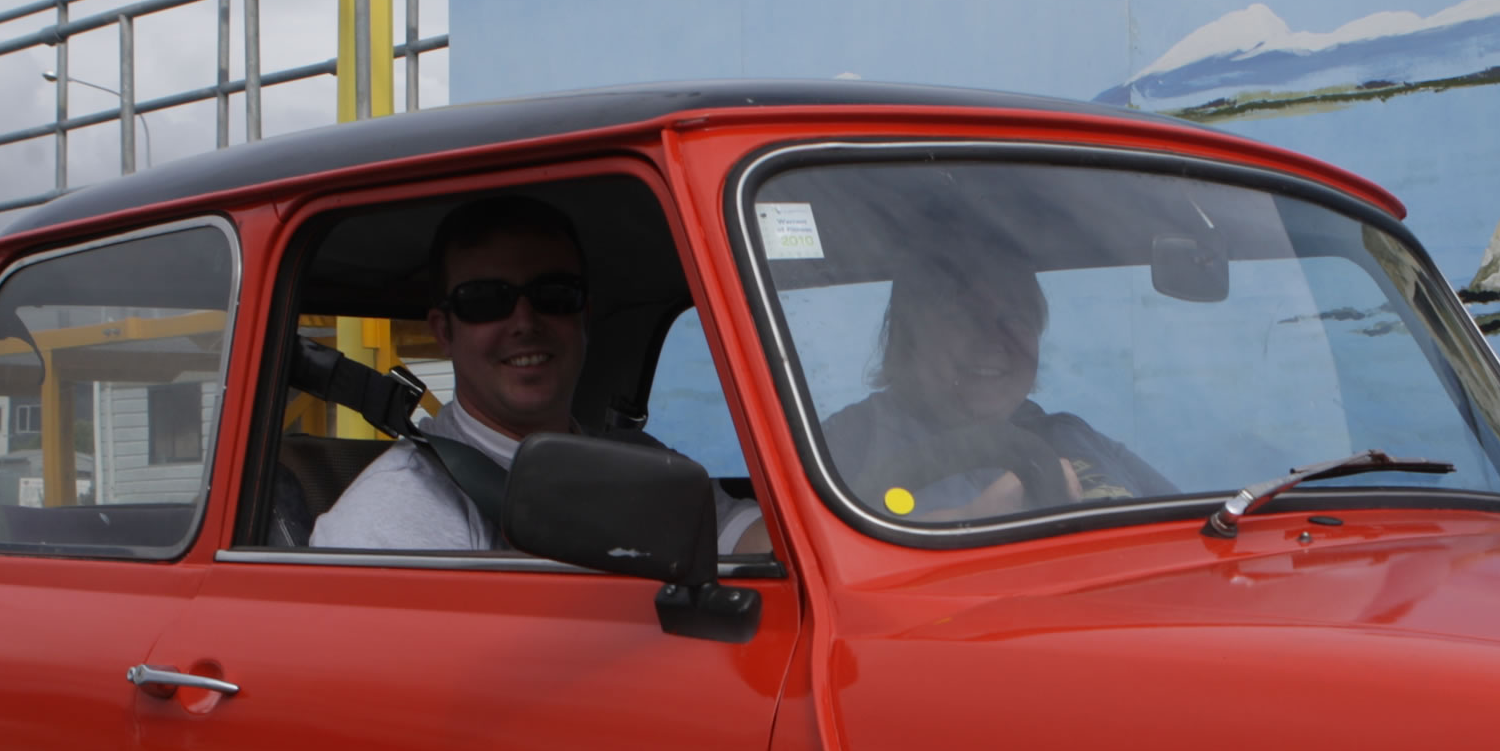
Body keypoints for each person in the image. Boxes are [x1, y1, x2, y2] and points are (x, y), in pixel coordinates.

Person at [308, 192, 766, 555]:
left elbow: (742, 536)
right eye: (486, 300)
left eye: (554, 295)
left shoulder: (641, 465)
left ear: (584, 318)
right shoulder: (395, 513)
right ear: (444, 331)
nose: (525, 322)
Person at [819, 245, 1165, 523]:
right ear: (907, 337)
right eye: (963, 317)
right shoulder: (847, 441)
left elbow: (1184, 538)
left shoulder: (1073, 435)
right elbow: (800, 560)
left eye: (1015, 319)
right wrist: (967, 520)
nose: (993, 339)